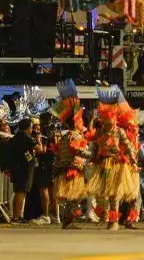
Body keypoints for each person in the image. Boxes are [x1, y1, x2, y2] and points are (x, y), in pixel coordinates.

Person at [87, 88, 138, 230]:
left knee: (114, 194)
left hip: (116, 164)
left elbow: (128, 146)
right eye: (104, 119)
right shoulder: (100, 131)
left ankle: (114, 221)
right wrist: (93, 158)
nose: (106, 122)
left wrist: (133, 159)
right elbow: (95, 148)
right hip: (103, 165)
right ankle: (107, 217)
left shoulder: (119, 131)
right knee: (104, 194)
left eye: (108, 119)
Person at [53, 80, 91, 229]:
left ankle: (67, 221)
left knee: (72, 198)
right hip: (72, 170)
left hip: (67, 168)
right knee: (73, 197)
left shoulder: (65, 135)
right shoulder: (74, 136)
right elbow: (77, 150)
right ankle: (67, 222)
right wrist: (92, 154)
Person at [7, 118, 43, 224]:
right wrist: (38, 140)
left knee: (18, 191)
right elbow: (39, 149)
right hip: (25, 168)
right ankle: (17, 217)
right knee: (21, 191)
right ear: (28, 127)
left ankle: (15, 216)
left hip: (17, 167)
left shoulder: (15, 137)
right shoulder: (27, 138)